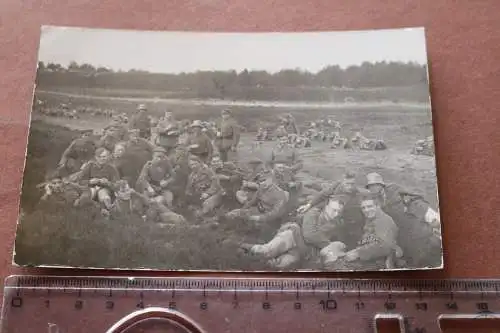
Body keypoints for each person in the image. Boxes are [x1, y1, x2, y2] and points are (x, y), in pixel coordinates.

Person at [364, 172, 442, 268]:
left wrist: (409, 203)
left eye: (374, 185)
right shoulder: (374, 199)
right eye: (370, 187)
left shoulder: (394, 189)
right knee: (411, 257)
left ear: (380, 184)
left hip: (414, 225)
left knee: (427, 251)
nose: (372, 188)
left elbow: (416, 197)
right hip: (401, 232)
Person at [335, 193, 402, 270]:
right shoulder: (371, 219)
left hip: (381, 262)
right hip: (371, 258)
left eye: (370, 206)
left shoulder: (383, 221)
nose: (366, 210)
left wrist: (358, 253)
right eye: (363, 208)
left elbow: (385, 246)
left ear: (378, 206)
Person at [72, 148, 120, 217]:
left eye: (104, 157)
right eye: (99, 157)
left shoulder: (112, 168)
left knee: (105, 198)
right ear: (95, 157)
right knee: (86, 197)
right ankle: (81, 210)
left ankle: (106, 213)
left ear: (108, 157)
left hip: (105, 189)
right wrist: (90, 181)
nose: (102, 159)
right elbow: (80, 181)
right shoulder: (90, 166)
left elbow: (117, 185)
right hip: (91, 187)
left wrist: (108, 183)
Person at [240, 222, 307, 270]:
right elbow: (312, 235)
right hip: (294, 234)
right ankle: (240, 244)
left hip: (299, 251)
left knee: (275, 265)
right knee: (267, 251)